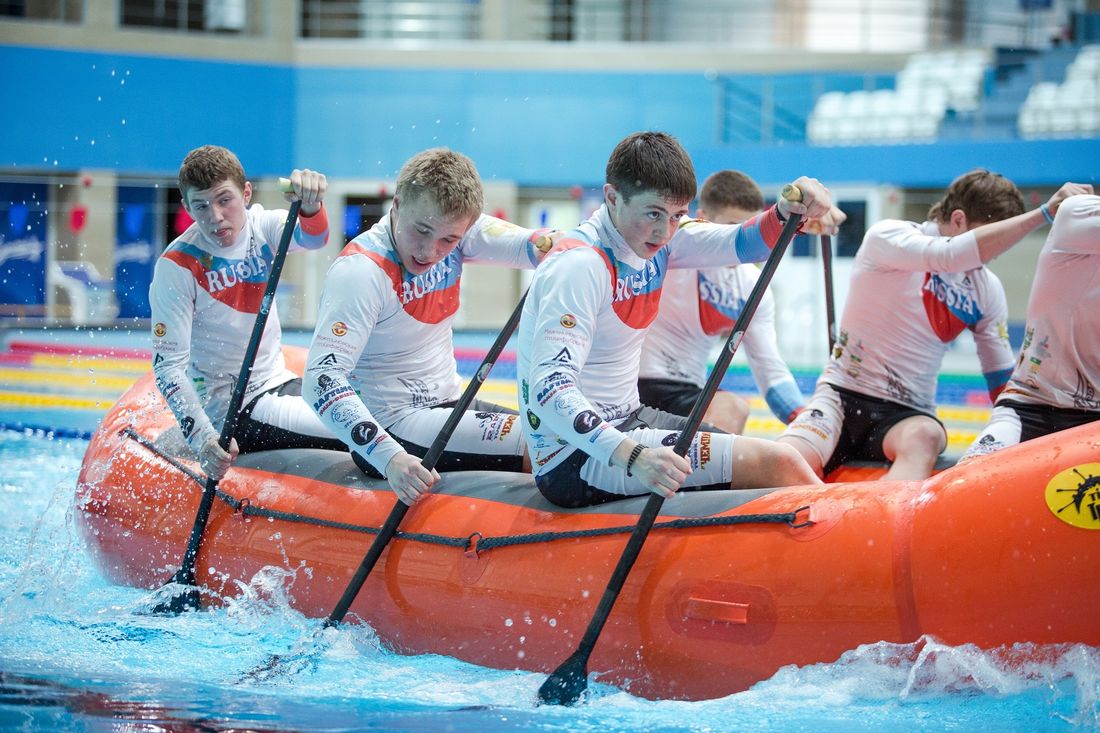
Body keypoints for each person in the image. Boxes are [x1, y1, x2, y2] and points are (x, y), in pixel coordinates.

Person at [516, 131, 838, 509]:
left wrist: (788, 210)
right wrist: (634, 457)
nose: (664, 231)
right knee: (779, 463)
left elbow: (743, 242)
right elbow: (549, 388)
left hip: (631, 419)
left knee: (767, 460)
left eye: (676, 216)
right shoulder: (579, 265)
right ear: (612, 197)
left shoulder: (662, 239)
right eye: (653, 213)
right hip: (574, 457)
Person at [778, 170, 1087, 481]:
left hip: (908, 416)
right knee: (782, 460)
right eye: (994, 236)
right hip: (840, 398)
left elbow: (1001, 378)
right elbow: (949, 255)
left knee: (926, 436)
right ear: (958, 220)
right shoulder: (889, 237)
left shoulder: (986, 288)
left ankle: (886, 512)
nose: (998, 250)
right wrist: (1045, 213)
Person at [303, 147, 552, 505]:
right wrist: (389, 457)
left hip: (450, 405)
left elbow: (540, 244)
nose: (429, 251)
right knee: (549, 449)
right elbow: (320, 380)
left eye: (449, 240)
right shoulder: (360, 272)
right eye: (421, 231)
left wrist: (570, 245)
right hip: (393, 427)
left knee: (559, 436)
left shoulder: (457, 225)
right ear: (397, 204)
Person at [151, 145, 345, 482]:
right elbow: (167, 368)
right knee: (354, 427)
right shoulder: (176, 266)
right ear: (186, 207)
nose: (215, 216)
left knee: (359, 407)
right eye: (201, 206)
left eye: (224, 200)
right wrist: (203, 439)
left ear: (246, 193)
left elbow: (314, 239)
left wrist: (311, 206)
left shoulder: (263, 226)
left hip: (279, 382)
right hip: (233, 408)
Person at [638, 169, 807, 434]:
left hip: (686, 392)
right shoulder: (673, 244)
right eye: (732, 227)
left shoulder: (752, 285)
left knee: (733, 408)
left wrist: (806, 421)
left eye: (751, 228)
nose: (747, 241)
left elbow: (769, 368)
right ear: (702, 219)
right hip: (629, 383)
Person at [961, 188, 1098, 460]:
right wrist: (1045, 211)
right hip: (1030, 406)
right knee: (971, 473)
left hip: (1094, 422)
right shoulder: (1079, 212)